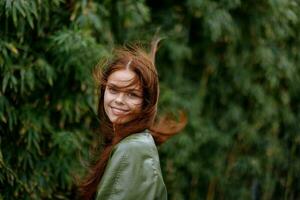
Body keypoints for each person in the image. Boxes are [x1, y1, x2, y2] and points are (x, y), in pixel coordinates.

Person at [79, 39, 187, 200]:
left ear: (146, 102)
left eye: (132, 94)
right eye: (113, 90)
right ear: (104, 90)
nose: (119, 100)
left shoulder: (132, 149)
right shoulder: (133, 142)